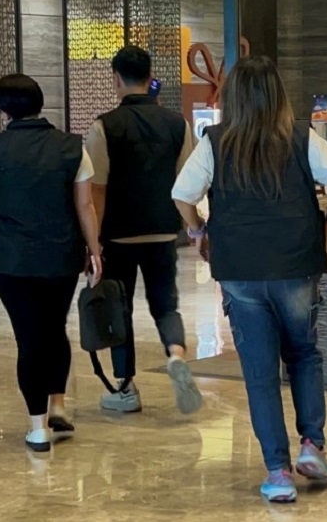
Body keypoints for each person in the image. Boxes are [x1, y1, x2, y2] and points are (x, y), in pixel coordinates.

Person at [172, 56, 327, 503]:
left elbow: (182, 194)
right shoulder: (301, 137)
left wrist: (198, 231)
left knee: (260, 373)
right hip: (296, 264)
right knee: (303, 354)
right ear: (277, 95)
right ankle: (312, 446)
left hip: (239, 269)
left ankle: (278, 473)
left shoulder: (215, 142)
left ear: (233, 98)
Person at [0, 74, 103, 452]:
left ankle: (38, 428)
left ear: (4, 107)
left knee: (29, 338)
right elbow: (85, 205)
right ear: (40, 102)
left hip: (11, 261)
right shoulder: (72, 147)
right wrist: (94, 251)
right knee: (54, 329)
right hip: (61, 257)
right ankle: (58, 406)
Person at [86, 46, 202, 415]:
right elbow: (186, 184)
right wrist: (194, 228)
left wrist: (94, 243)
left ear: (116, 79)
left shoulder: (104, 126)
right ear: (150, 77)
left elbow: (97, 190)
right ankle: (176, 354)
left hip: (118, 234)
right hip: (163, 232)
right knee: (165, 304)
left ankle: (126, 388)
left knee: (118, 309)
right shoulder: (177, 124)